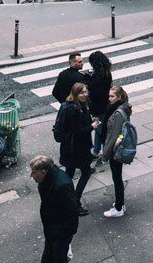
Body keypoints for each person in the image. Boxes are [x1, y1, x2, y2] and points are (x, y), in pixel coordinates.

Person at [30, 155, 79, 263]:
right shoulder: (49, 180)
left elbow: (72, 213)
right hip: (53, 230)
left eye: (34, 172)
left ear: (43, 172)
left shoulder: (61, 186)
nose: (32, 176)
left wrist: (62, 236)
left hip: (58, 232)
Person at [56, 83, 93, 217]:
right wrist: (92, 126)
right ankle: (75, 203)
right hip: (77, 149)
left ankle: (65, 200)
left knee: (69, 175)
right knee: (86, 172)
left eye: (85, 92)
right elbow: (78, 132)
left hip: (69, 148)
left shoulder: (73, 105)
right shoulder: (74, 109)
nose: (85, 94)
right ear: (75, 94)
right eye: (82, 93)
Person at [100, 84, 131, 218]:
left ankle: (119, 207)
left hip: (115, 150)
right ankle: (120, 204)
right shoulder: (121, 108)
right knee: (117, 176)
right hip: (117, 148)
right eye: (109, 96)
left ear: (119, 97)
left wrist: (106, 153)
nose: (109, 99)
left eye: (112, 96)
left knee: (117, 178)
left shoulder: (118, 113)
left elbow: (114, 135)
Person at [86, 51, 112, 159]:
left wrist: (88, 81)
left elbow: (96, 90)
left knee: (99, 129)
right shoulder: (106, 72)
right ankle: (97, 150)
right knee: (99, 127)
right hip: (104, 104)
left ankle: (105, 151)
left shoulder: (99, 74)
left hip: (98, 106)